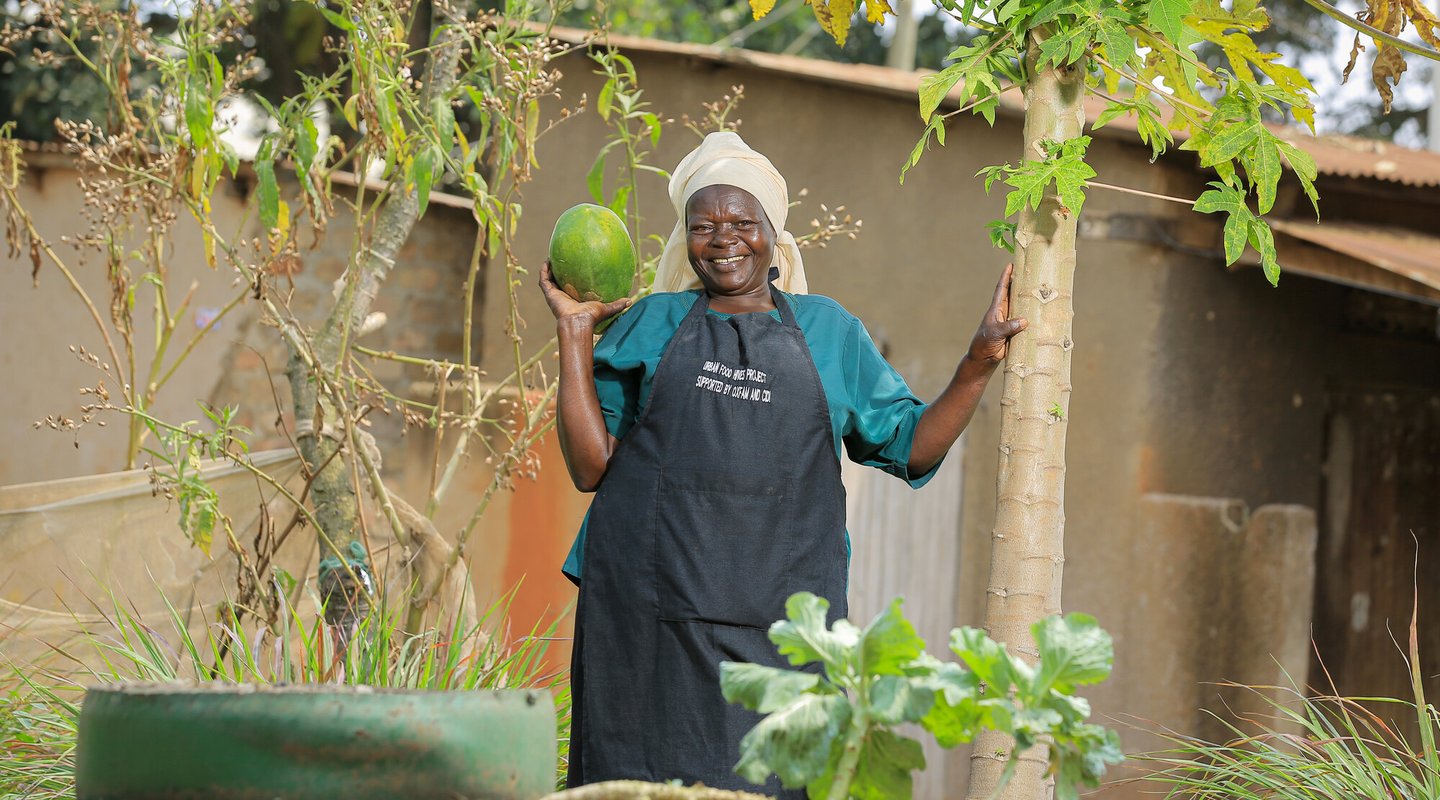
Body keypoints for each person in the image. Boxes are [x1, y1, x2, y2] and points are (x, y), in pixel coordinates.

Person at [539, 131, 1025, 797]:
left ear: (774, 233)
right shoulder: (651, 324)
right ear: (684, 238)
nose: (723, 239)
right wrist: (573, 331)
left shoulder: (829, 333)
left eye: (742, 222)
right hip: (647, 629)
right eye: (702, 225)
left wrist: (978, 361)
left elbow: (911, 445)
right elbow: (590, 466)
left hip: (784, 635)